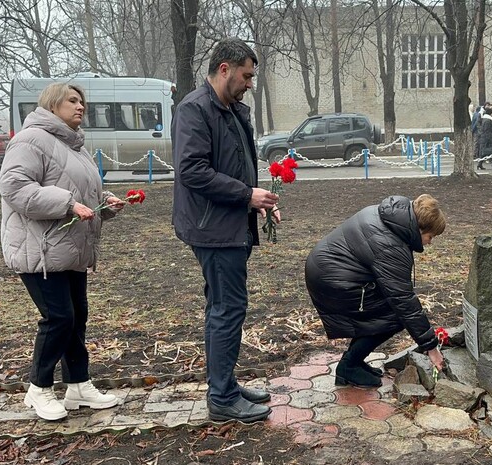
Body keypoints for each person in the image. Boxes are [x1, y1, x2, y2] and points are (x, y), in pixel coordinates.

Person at [0, 83, 127, 421]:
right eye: (72, 100)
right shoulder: (30, 140)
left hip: (69, 248)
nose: (80, 106)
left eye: (82, 101)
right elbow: (14, 186)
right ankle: (38, 389)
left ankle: (78, 385)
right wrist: (67, 204)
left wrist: (105, 203)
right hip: (39, 250)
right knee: (59, 319)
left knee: (76, 317)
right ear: (52, 104)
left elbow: (81, 191)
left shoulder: (74, 146)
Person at [172, 38, 277, 423]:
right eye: (246, 75)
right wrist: (248, 195)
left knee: (224, 307)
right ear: (224, 69)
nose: (250, 83)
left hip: (230, 223)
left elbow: (236, 166)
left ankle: (226, 385)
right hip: (212, 229)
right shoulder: (195, 109)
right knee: (227, 309)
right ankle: (222, 397)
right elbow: (192, 171)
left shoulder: (230, 110)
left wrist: (260, 203)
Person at [305, 195, 447, 388]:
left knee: (379, 312)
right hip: (333, 280)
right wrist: (431, 347)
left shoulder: (390, 217)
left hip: (329, 270)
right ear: (419, 228)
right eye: (430, 237)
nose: (429, 243)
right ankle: (349, 367)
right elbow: (402, 300)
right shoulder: (391, 244)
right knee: (394, 317)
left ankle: (353, 362)